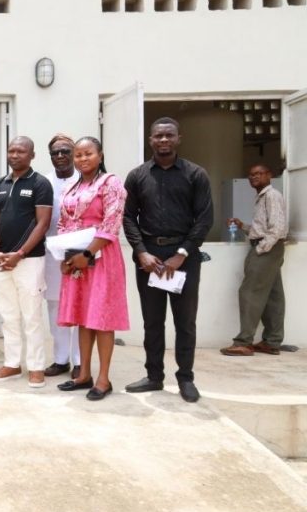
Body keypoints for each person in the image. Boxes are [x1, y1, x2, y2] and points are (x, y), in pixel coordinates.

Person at [123, 117, 213, 403]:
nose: (163, 140)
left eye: (169, 135)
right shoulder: (137, 176)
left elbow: (204, 219)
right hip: (149, 259)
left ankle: (185, 378)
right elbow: (127, 217)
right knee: (153, 321)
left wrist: (181, 254)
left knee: (185, 322)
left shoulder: (195, 174)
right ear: (150, 140)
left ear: (178, 138)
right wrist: (141, 252)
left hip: (184, 259)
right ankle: (154, 376)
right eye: (158, 136)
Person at [54, 137, 129, 400]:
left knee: (102, 319)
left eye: (88, 154)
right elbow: (64, 223)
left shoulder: (111, 183)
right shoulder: (72, 188)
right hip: (77, 260)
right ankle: (83, 374)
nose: (82, 159)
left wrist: (88, 253)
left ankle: (103, 379)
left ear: (100, 155)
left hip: (102, 257)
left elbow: (112, 222)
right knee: (84, 318)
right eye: (78, 155)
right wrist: (66, 256)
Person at [0, 136, 53, 388]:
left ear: (32, 155)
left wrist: (20, 253)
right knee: (8, 316)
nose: (15, 155)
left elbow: (42, 223)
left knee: (31, 316)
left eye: (21, 151)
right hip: (2, 261)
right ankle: (12, 364)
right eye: (11, 151)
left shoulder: (40, 184)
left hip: (29, 261)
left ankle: (36, 367)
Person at [220, 164, 287, 356]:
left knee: (249, 292)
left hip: (268, 249)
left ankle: (244, 342)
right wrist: (243, 226)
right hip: (271, 248)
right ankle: (272, 341)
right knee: (273, 296)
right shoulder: (263, 197)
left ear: (269, 175)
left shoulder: (271, 195)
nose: (253, 177)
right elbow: (263, 229)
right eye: (251, 175)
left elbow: (277, 229)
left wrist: (260, 249)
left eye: (259, 173)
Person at [43, 134, 82, 379]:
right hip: (51, 255)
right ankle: (60, 360)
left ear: (74, 152)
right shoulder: (44, 182)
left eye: (65, 151)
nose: (60, 156)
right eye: (55, 153)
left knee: (79, 307)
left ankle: (80, 361)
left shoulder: (86, 180)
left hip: (80, 255)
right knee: (55, 307)